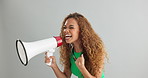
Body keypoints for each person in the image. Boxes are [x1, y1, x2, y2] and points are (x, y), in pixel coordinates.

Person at [45, 12, 107, 78]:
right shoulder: (70, 53)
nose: (65, 30)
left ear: (81, 30)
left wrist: (82, 68)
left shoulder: (95, 50)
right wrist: (54, 66)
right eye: (65, 27)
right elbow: (66, 76)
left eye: (71, 27)